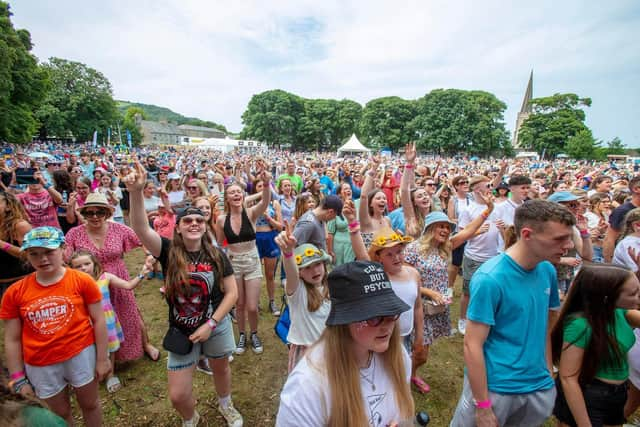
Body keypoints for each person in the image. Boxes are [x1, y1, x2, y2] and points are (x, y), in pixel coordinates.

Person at [125, 162, 243, 427]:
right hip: (182, 329)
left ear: (205, 226)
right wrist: (135, 192)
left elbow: (232, 293)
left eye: (199, 220)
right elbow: (141, 229)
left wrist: (212, 324)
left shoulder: (216, 254)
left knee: (221, 368)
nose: (193, 223)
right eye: (187, 220)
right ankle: (191, 417)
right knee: (178, 395)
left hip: (217, 324)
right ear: (178, 227)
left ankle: (226, 404)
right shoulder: (168, 250)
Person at [450, 200, 575, 427]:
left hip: (536, 385)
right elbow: (472, 344)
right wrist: (483, 404)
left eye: (569, 237)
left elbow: (543, 326)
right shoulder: (491, 278)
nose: (568, 245)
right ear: (527, 234)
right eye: (559, 239)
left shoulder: (546, 269)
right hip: (498, 387)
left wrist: (547, 371)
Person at [276, 261, 414, 427]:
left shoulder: (397, 356)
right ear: (345, 320)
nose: (387, 326)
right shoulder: (307, 386)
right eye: (374, 317)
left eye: (392, 313)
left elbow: (401, 413)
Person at [0, 227, 109, 426]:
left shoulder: (82, 281)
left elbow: (99, 320)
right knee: (59, 412)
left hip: (80, 354)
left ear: (63, 250)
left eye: (49, 252)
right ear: (27, 256)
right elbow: (12, 338)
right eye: (34, 254)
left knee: (90, 404)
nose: (43, 259)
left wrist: (103, 359)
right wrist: (18, 377)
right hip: (41, 363)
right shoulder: (15, 293)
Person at [65, 192, 160, 362]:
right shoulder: (74, 233)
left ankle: (145, 344)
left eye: (100, 212)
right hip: (89, 282)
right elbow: (65, 258)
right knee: (97, 319)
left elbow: (143, 241)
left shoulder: (120, 229)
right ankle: (105, 356)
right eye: (89, 213)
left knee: (129, 312)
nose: (95, 217)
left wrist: (148, 256)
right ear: (84, 214)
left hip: (117, 276)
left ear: (107, 213)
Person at [551, 264, 640, 427]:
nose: (638, 297)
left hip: (617, 394)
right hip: (587, 396)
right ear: (607, 297)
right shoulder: (580, 325)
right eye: (633, 294)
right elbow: (568, 379)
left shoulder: (618, 311)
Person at [69, 250, 152, 393]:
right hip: (83, 323)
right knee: (89, 349)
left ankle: (110, 374)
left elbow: (128, 285)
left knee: (110, 347)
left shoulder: (105, 277)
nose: (83, 268)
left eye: (86, 264)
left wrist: (142, 273)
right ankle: (89, 375)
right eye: (78, 266)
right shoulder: (72, 282)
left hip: (106, 321)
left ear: (94, 264)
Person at [214, 174, 271, 355]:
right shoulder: (222, 220)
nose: (236, 195)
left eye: (239, 192)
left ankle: (254, 334)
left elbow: (265, 200)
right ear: (227, 198)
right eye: (232, 193)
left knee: (252, 306)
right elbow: (219, 243)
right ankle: (241, 335)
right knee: (238, 305)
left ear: (243, 195)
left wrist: (268, 183)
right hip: (233, 262)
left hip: (252, 261)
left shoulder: (251, 213)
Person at [275, 222, 332, 371]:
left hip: (330, 349)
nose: (315, 271)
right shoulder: (297, 290)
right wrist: (288, 253)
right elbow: (291, 273)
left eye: (318, 264)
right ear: (299, 272)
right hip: (306, 353)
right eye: (307, 267)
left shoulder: (331, 288)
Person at [0, 191, 33, 300]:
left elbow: (30, 255)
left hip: (20, 282)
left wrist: (3, 245)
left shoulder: (20, 225)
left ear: (8, 207)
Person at [327, 182, 356, 266]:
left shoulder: (356, 205)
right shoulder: (335, 209)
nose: (348, 190)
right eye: (345, 189)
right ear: (339, 194)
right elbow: (330, 233)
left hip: (353, 246)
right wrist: (330, 251)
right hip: (339, 248)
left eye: (349, 188)